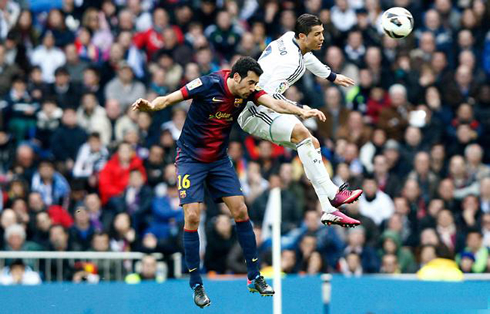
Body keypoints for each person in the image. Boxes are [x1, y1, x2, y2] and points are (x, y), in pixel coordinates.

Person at [132, 57, 325, 308]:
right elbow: (169, 99)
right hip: (191, 159)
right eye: (251, 83)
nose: (254, 88)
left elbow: (274, 103)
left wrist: (301, 111)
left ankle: (255, 276)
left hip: (219, 160)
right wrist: (151, 106)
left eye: (256, 84)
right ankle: (196, 285)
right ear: (236, 77)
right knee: (191, 217)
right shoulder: (207, 83)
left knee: (241, 211)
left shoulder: (249, 91)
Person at [237, 14, 362, 227]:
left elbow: (308, 57)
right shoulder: (291, 64)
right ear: (303, 36)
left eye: (322, 32)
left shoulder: (289, 39)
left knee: (311, 144)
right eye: (317, 34)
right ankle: (333, 192)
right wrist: (301, 109)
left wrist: (331, 76)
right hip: (253, 108)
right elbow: (267, 95)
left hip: (265, 105)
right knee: (302, 134)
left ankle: (329, 209)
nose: (322, 38)